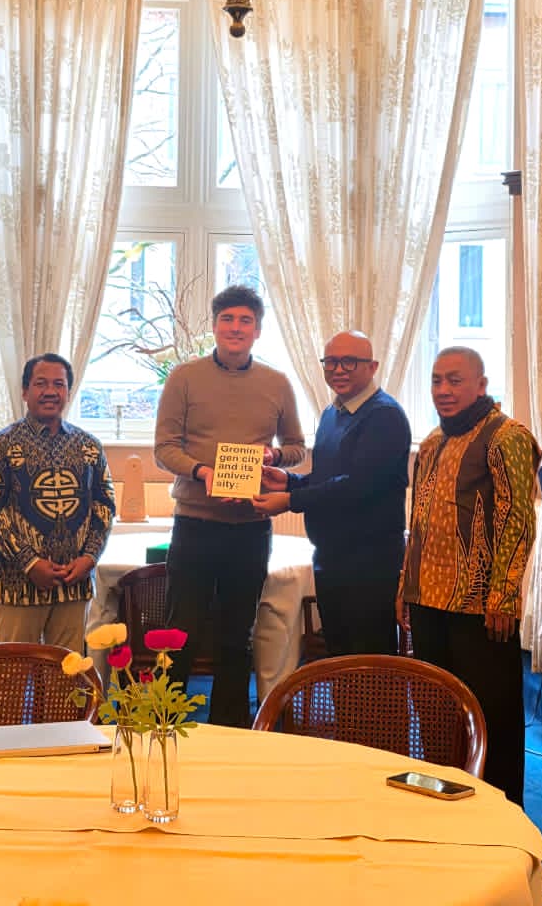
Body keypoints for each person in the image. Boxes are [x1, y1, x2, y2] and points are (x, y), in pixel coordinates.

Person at [154, 285, 306, 727]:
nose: (235, 328)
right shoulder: (184, 378)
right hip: (195, 524)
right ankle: (164, 721)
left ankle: (231, 726)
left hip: (250, 527)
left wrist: (273, 456)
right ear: (215, 326)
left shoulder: (277, 383)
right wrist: (202, 472)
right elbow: (164, 448)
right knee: (180, 629)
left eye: (245, 321)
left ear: (257, 330)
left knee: (238, 633)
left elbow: (297, 447)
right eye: (227, 319)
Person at [396, 346, 539, 807]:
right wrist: (405, 586)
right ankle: (444, 805)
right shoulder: (432, 442)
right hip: (427, 598)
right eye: (436, 380)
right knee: (436, 711)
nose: (443, 390)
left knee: (489, 715)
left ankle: (499, 812)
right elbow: (418, 521)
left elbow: (518, 519)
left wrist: (504, 595)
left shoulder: (507, 436)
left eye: (454, 380)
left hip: (481, 606)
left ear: (481, 385)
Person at [252, 330, 411, 656]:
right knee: (338, 656)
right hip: (331, 558)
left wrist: (291, 501)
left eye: (349, 362)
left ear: (372, 367)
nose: (338, 370)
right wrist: (289, 481)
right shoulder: (331, 414)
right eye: (331, 362)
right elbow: (329, 479)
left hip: (369, 564)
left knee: (368, 661)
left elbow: (357, 486)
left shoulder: (385, 416)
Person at [0, 353, 115, 653]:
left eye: (58, 384)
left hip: (74, 586)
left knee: (69, 673)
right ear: (25, 391)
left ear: (68, 392)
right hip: (18, 586)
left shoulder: (89, 447)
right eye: (41, 384)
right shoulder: (1, 446)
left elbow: (104, 506)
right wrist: (30, 563)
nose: (50, 391)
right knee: (13, 672)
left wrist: (90, 557)